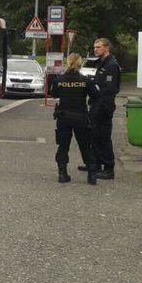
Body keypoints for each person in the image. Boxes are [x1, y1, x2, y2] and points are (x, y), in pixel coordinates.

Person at [79, 37, 121, 179]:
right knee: (94, 135)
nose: (95, 49)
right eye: (94, 47)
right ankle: (95, 164)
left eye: (98, 47)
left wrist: (99, 104)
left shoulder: (111, 65)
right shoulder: (102, 63)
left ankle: (108, 168)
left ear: (106, 48)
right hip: (97, 104)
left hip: (104, 106)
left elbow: (109, 89)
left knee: (103, 137)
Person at [52, 53, 97, 185]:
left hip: (64, 116)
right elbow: (94, 95)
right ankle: (92, 175)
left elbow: (54, 94)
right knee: (85, 146)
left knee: (63, 146)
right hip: (81, 116)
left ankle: (62, 173)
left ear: (68, 63)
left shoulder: (59, 79)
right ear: (80, 64)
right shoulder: (85, 80)